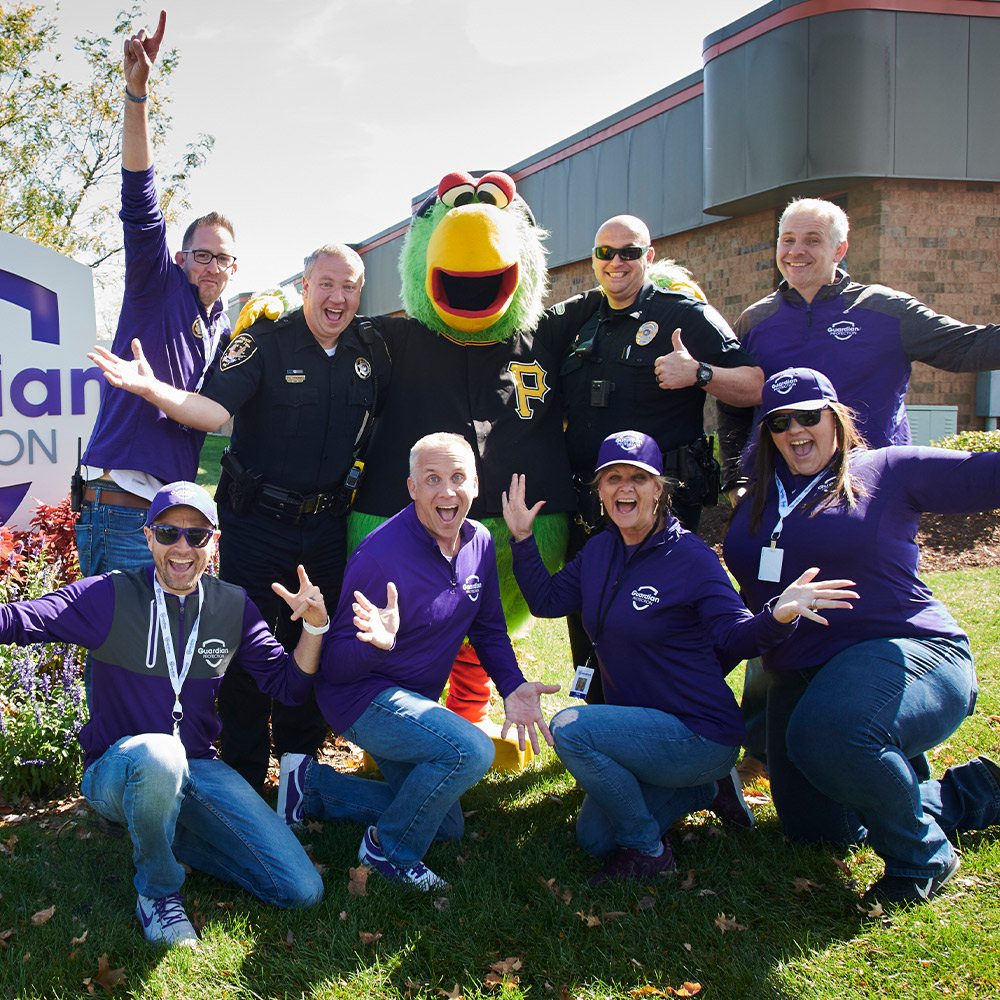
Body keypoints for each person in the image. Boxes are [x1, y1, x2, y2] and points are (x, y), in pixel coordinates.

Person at [89, 243, 391, 795]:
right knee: (248, 647)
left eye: (349, 286)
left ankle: (300, 774)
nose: (338, 297)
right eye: (327, 284)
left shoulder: (370, 352)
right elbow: (213, 412)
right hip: (256, 523)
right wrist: (150, 388)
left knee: (313, 636)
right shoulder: (264, 342)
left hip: (324, 527)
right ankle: (245, 778)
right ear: (305, 286)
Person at [717, 196, 1000, 783]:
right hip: (781, 491)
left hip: (867, 492)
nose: (796, 251)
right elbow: (739, 399)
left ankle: (883, 728)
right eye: (787, 239)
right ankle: (764, 745)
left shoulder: (885, 309)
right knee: (775, 595)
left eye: (812, 240)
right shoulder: (757, 319)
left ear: (840, 248)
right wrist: (739, 477)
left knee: (864, 609)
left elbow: (967, 347)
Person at [502, 430, 854, 885]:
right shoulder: (600, 550)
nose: (624, 488)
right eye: (612, 478)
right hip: (642, 729)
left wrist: (778, 614)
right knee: (592, 839)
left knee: (572, 727)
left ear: (660, 490)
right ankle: (708, 789)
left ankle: (649, 850)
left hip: (699, 733)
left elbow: (736, 636)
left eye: (638, 478)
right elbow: (547, 601)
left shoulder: (691, 558)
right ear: (600, 491)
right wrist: (523, 539)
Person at [0, 482, 333, 948]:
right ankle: (158, 891)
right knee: (159, 754)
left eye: (196, 536)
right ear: (148, 537)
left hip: (198, 765)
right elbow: (19, 621)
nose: (182, 548)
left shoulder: (232, 606)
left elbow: (289, 687)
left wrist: (316, 626)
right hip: (118, 769)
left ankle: (163, 833)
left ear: (214, 542)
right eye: (168, 533)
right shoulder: (109, 595)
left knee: (301, 890)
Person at [723, 368, 1000, 906]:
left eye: (809, 416)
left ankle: (923, 856)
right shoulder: (757, 498)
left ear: (835, 417)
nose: (795, 430)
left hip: (904, 650)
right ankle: (974, 793)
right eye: (780, 422)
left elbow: (988, 476)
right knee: (820, 830)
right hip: (800, 669)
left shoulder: (887, 469)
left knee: (829, 735)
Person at [276, 433, 559, 890]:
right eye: (432, 480)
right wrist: (376, 644)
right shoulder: (379, 556)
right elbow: (336, 669)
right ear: (411, 489)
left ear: (475, 485)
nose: (447, 492)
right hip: (360, 698)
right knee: (470, 749)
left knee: (447, 826)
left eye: (457, 478)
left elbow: (487, 629)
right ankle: (388, 850)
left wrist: (512, 685)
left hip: (412, 702)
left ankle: (311, 787)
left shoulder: (480, 542)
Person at [559, 215, 764, 680]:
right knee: (589, 608)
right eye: (605, 252)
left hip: (659, 506)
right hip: (589, 501)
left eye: (629, 251)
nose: (616, 262)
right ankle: (591, 710)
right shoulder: (580, 321)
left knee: (650, 613)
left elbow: (754, 385)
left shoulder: (684, 314)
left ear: (649, 256)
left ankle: (660, 711)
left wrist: (700, 374)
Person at [76, 10, 236, 580]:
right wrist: (137, 95)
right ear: (180, 257)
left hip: (171, 519)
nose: (211, 266)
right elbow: (139, 195)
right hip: (119, 512)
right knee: (116, 664)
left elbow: (217, 416)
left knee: (157, 666)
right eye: (202, 254)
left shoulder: (221, 329)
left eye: (223, 258)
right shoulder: (155, 284)